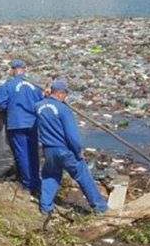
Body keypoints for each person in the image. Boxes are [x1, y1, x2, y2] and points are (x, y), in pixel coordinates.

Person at [35, 79, 108, 215]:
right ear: (61, 94)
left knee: (50, 176)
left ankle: (45, 207)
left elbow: (43, 103)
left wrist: (45, 96)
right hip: (65, 150)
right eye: (65, 94)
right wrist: (78, 151)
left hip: (48, 149)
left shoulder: (39, 106)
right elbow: (72, 135)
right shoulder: (64, 109)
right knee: (83, 175)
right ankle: (100, 207)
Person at [0, 60, 43, 193]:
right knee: (33, 153)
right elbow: (41, 104)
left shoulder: (9, 85)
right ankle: (36, 182)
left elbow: (0, 103)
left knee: (22, 154)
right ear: (24, 69)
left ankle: (27, 184)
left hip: (17, 123)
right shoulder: (35, 86)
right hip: (33, 123)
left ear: (13, 70)